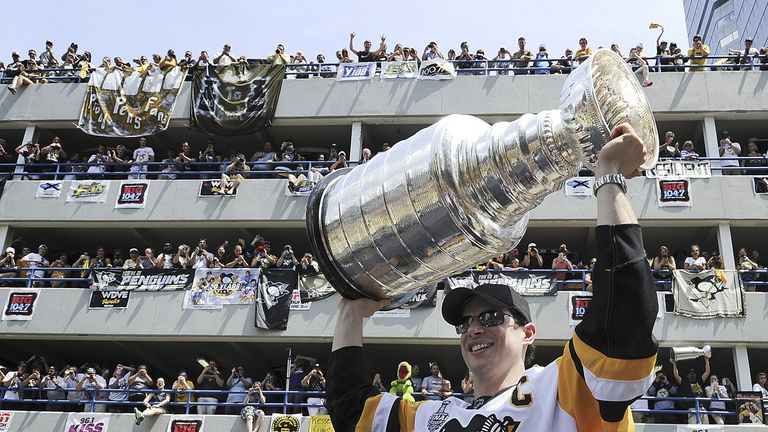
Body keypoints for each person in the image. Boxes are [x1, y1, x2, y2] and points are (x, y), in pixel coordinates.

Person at [327, 123, 658, 431]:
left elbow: (624, 324)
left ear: (527, 333)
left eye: (491, 317)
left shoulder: (561, 391)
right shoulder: (435, 417)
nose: (474, 329)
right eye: (465, 323)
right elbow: (351, 411)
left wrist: (608, 176)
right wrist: (350, 313)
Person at [672, 355, 710, 425]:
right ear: (687, 376)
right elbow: (676, 376)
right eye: (690, 374)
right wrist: (674, 364)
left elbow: (707, 372)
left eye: (693, 373)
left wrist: (706, 360)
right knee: (694, 428)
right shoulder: (685, 383)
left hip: (702, 408)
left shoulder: (700, 381)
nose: (692, 375)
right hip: (692, 408)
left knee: (705, 427)